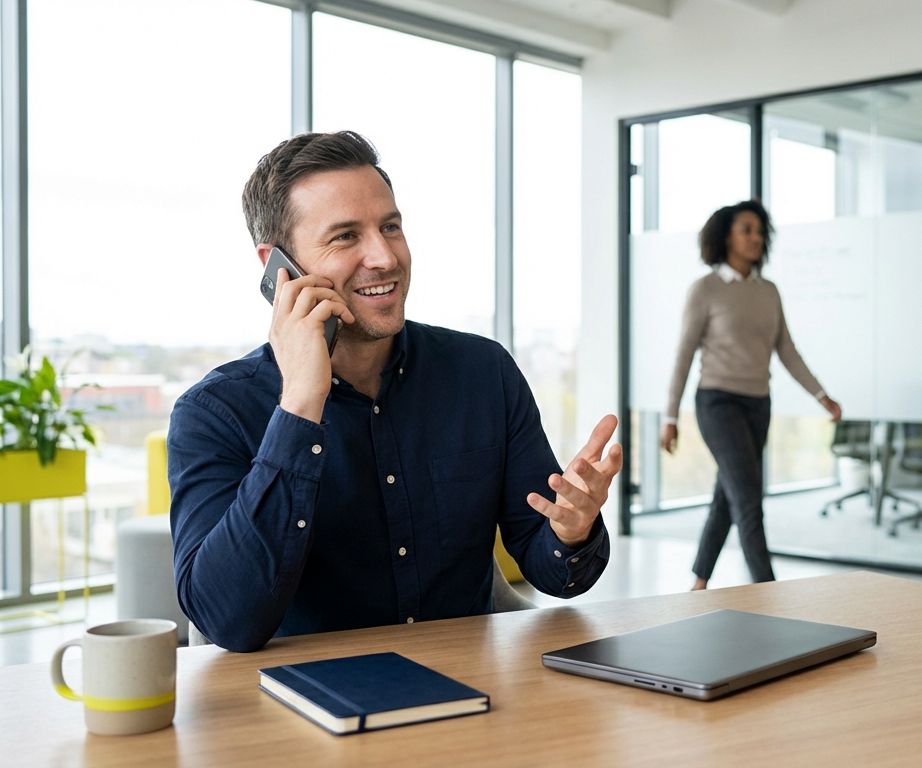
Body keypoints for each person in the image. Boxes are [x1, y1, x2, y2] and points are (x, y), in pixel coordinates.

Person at [168, 131, 620, 652]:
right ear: (278, 266)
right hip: (300, 711)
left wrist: (572, 531)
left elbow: (551, 570)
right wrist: (300, 405)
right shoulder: (214, 412)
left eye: (391, 227)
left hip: (470, 694)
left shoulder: (482, 372)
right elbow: (227, 622)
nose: (383, 257)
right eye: (345, 237)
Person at [662, 200, 841, 590]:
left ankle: (698, 582)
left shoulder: (768, 292)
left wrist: (821, 395)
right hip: (717, 402)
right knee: (748, 497)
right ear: (726, 236)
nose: (756, 238)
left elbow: (787, 351)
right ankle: (768, 590)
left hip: (758, 404)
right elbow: (684, 354)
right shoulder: (705, 289)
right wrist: (669, 417)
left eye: (760, 231)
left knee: (728, 496)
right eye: (747, 230)